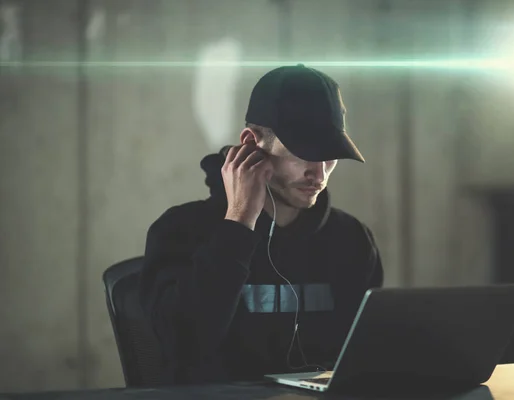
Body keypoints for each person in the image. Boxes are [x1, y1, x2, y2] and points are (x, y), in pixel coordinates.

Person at [139, 64, 384, 385]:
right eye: (305, 154)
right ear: (252, 144)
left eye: (331, 156)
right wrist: (239, 221)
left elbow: (368, 355)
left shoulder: (351, 239)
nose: (320, 174)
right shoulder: (181, 229)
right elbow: (184, 345)